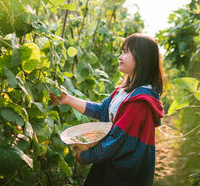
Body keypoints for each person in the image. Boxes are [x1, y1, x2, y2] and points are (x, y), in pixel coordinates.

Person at [51, 33, 165, 186]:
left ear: (141, 58)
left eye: (125, 52)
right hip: (111, 166)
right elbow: (101, 110)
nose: (119, 56)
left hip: (123, 175)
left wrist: (85, 156)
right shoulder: (124, 91)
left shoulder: (140, 103)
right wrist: (68, 99)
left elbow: (116, 140)